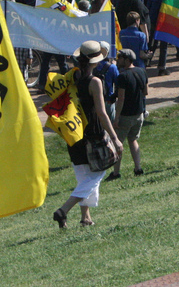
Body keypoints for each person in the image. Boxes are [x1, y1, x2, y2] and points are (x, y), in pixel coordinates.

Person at [53, 41, 123, 229]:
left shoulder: (70, 78)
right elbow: (101, 112)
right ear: (96, 61)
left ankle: (86, 218)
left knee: (84, 177)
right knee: (97, 174)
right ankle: (63, 210)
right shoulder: (95, 82)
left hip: (73, 134)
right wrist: (115, 138)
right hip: (93, 133)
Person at [109, 49, 147, 179]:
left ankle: (116, 173)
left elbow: (121, 98)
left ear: (127, 60)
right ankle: (138, 168)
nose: (118, 60)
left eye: (120, 57)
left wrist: (117, 117)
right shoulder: (142, 71)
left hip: (126, 115)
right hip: (139, 114)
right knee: (133, 140)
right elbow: (145, 92)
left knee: (118, 143)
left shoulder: (123, 76)